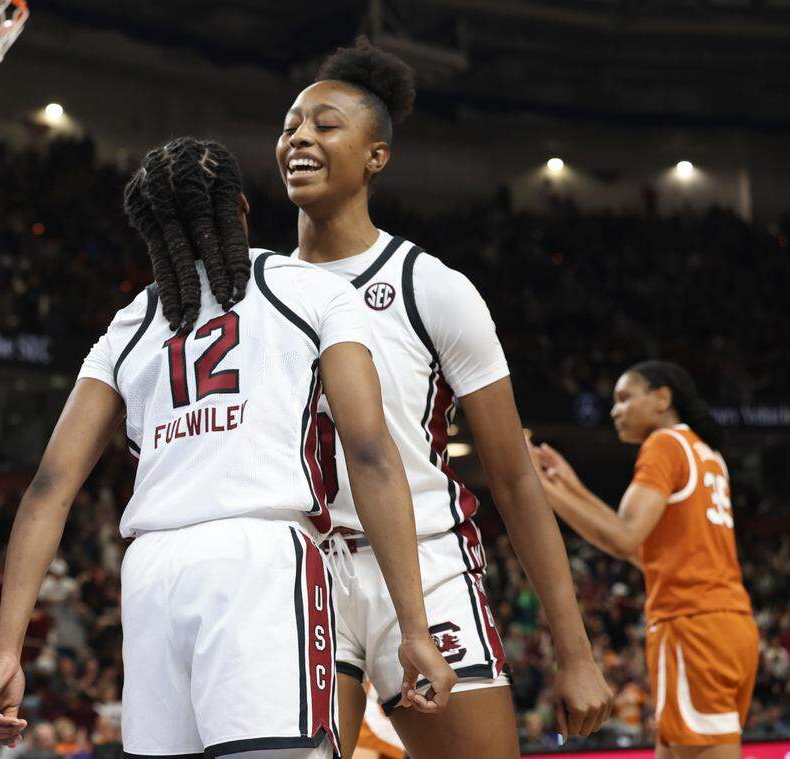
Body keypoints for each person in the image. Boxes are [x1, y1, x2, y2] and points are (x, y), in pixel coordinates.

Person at [0, 136, 457, 759]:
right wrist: (413, 627)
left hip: (150, 573)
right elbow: (369, 454)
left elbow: (46, 491)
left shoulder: (130, 323)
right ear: (242, 210)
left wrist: (7, 650)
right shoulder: (309, 289)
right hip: (258, 558)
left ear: (151, 231)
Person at [276, 37, 613, 758]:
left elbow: (515, 475)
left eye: (325, 123)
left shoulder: (432, 287)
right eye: (290, 126)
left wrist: (575, 650)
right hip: (305, 567)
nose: (300, 136)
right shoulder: (257, 291)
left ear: (376, 156)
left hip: (425, 561)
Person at [530, 361, 758, 759]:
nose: (615, 410)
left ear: (662, 397)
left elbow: (622, 537)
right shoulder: (705, 452)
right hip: (728, 626)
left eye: (624, 398)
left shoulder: (665, 444)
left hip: (693, 628)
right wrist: (570, 487)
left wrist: (534, 488)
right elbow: (645, 553)